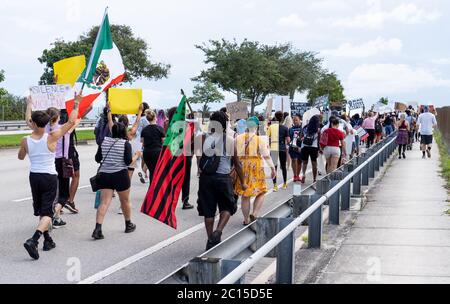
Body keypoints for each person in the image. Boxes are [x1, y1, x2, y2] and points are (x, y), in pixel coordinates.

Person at [19, 94, 81, 260]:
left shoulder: (25, 140)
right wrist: (76, 105)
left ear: (32, 122)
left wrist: (29, 104)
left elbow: (20, 156)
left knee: (41, 209)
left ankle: (48, 240)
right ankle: (34, 239)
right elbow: (70, 123)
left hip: (34, 177)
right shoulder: (52, 136)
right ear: (46, 123)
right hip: (48, 176)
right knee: (48, 213)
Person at [197, 111, 246, 250]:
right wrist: (242, 182)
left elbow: (198, 157)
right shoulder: (230, 140)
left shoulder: (202, 138)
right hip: (223, 178)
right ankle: (217, 232)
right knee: (228, 206)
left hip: (206, 178)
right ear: (225, 124)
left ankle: (210, 239)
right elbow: (237, 164)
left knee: (208, 210)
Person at [92, 121, 142, 240]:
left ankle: (98, 228)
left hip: (105, 175)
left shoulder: (104, 141)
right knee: (124, 201)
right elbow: (128, 162)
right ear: (123, 131)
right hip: (120, 175)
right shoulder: (125, 144)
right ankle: (128, 224)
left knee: (104, 202)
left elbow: (97, 158)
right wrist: (137, 155)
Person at [235, 116, 276, 225]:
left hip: (241, 167)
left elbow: (233, 154)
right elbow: (266, 156)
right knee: (261, 191)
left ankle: (246, 219)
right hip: (256, 168)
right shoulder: (259, 140)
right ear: (257, 126)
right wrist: (272, 168)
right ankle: (255, 213)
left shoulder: (238, 138)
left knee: (245, 195)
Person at [141, 110, 166, 184]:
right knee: (157, 173)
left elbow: (142, 142)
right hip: (157, 152)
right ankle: (155, 191)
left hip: (147, 153)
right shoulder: (160, 129)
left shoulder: (144, 130)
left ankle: (152, 189)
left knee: (151, 171)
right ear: (155, 117)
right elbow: (164, 142)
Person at [267, 111, 290, 190]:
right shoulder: (285, 128)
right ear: (282, 118)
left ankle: (275, 186)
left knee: (274, 167)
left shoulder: (271, 127)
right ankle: (284, 184)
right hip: (282, 148)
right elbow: (288, 140)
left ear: (275, 118)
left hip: (273, 148)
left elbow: (267, 138)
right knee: (283, 166)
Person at [300, 115, 321, 183]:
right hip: (314, 147)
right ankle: (314, 179)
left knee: (304, 163)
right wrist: (319, 149)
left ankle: (303, 175)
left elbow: (301, 137)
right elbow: (319, 140)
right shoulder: (318, 129)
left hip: (305, 146)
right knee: (314, 163)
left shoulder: (305, 127)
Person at [288, 115, 303, 182]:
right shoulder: (290, 129)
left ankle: (298, 175)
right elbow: (288, 139)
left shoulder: (303, 128)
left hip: (301, 147)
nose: (295, 121)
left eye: (296, 120)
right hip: (293, 147)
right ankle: (295, 175)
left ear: (300, 120)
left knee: (300, 161)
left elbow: (305, 137)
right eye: (293, 120)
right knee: (294, 160)